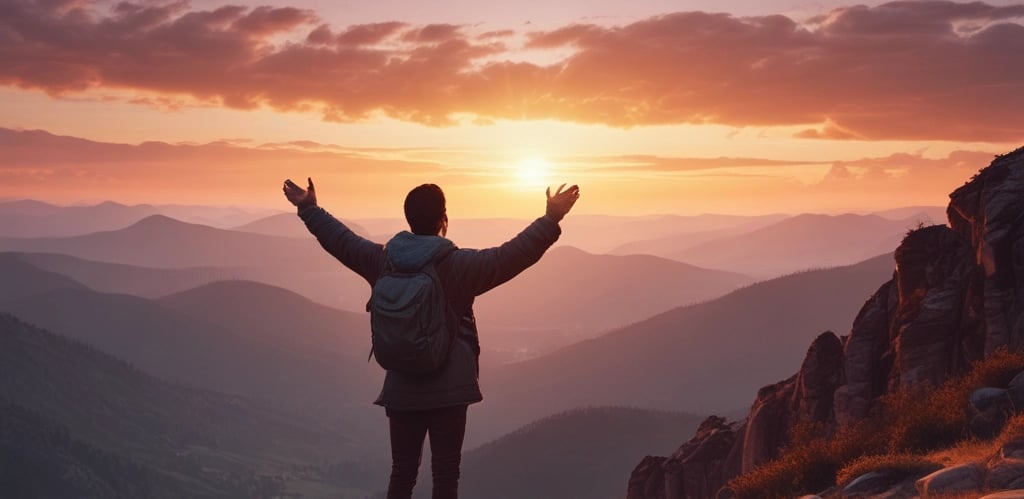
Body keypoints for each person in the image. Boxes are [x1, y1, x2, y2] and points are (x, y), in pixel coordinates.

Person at [282, 177, 580, 499]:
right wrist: (551, 219)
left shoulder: (383, 261)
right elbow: (511, 256)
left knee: (403, 472)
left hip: (401, 388)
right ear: (443, 219)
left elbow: (341, 241)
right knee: (446, 474)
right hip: (449, 391)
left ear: (408, 219)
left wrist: (308, 208)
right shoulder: (459, 266)